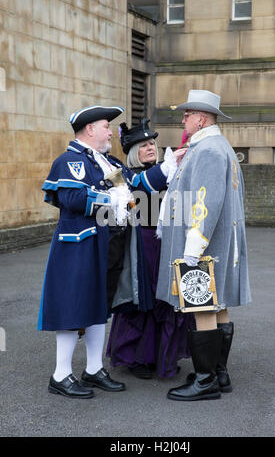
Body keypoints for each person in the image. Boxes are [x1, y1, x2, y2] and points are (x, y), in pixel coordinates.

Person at [38, 105, 172, 399]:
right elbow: (70, 197)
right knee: (75, 308)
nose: (111, 132)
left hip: (110, 245)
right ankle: (60, 375)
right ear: (90, 130)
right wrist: (109, 198)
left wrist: (167, 168)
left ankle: (94, 369)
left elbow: (137, 185)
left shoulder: (107, 162)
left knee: (100, 306)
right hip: (81, 245)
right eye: (105, 127)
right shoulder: (70, 161)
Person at [156, 90, 252, 401]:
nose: (182, 119)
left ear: (202, 118)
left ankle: (205, 380)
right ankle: (218, 373)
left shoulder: (208, 149)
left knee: (202, 304)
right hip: (217, 242)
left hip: (204, 242)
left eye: (187, 114)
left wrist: (192, 249)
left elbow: (206, 203)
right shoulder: (214, 145)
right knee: (218, 303)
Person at [106, 119, 195, 379]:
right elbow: (141, 186)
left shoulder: (166, 170)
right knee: (141, 299)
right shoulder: (123, 173)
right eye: (144, 145)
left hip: (168, 242)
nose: (150, 148)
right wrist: (169, 168)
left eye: (153, 143)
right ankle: (139, 358)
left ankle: (164, 355)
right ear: (133, 150)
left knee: (166, 298)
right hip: (140, 244)